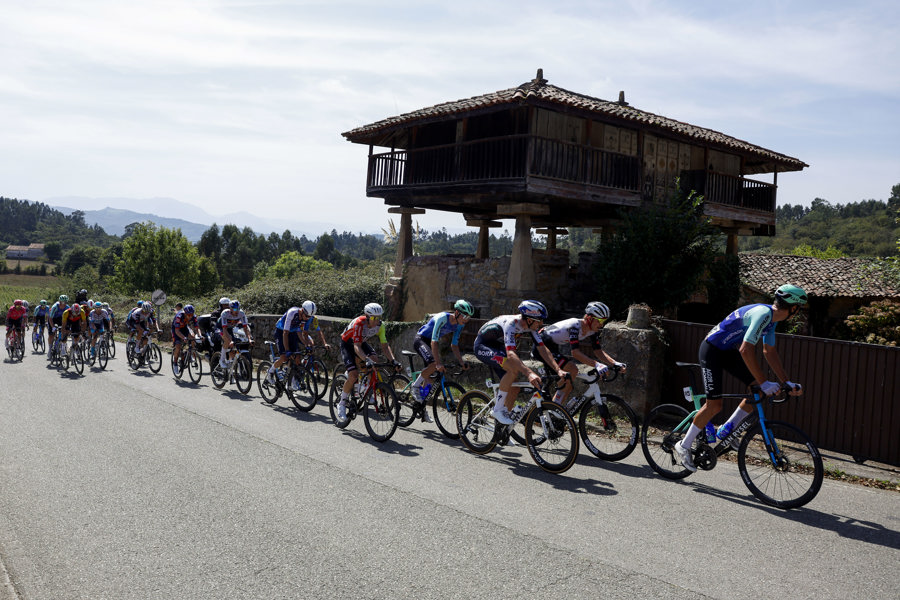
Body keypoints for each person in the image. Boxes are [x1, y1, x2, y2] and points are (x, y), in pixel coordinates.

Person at [671, 284, 808, 472]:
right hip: (711, 350)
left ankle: (728, 430)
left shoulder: (772, 320)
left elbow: (769, 351)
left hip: (727, 351)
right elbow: (745, 349)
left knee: (758, 392)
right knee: (714, 405)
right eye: (799, 309)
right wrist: (764, 381)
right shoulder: (764, 314)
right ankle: (683, 444)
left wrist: (786, 382)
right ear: (794, 308)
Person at [472, 300, 567, 425]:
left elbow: (543, 349)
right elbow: (511, 354)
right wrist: (529, 373)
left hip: (498, 347)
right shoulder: (511, 324)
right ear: (529, 320)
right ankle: (497, 410)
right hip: (483, 346)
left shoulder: (531, 327)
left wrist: (558, 369)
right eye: (540, 320)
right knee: (512, 370)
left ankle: (502, 425)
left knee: (515, 387)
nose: (541, 323)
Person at [532, 301, 627, 410]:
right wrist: (597, 364)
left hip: (552, 346)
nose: (602, 325)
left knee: (568, 384)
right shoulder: (575, 326)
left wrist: (615, 363)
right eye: (600, 321)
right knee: (572, 369)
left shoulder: (592, 330)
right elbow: (575, 353)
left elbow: (598, 351)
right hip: (541, 345)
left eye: (604, 321)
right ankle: (551, 409)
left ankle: (554, 410)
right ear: (589, 318)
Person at [409, 299, 474, 420]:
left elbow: (454, 345)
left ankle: (421, 407)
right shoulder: (442, 318)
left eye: (469, 317)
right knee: (434, 364)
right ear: (457, 312)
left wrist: (461, 362)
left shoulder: (460, 325)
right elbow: (434, 342)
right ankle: (415, 386)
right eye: (465, 316)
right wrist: (438, 363)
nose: (466, 319)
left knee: (429, 381)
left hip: (430, 343)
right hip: (421, 340)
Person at [336, 303, 400, 421]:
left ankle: (366, 388)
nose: (377, 320)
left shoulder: (380, 326)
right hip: (348, 344)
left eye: (379, 317)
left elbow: (385, 346)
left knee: (375, 361)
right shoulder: (359, 323)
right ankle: (342, 403)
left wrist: (393, 360)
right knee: (353, 375)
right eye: (374, 318)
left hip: (361, 342)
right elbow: (356, 346)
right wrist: (366, 359)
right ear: (367, 316)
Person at [218, 300, 253, 367]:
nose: (237, 311)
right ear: (230, 309)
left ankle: (230, 361)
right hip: (221, 328)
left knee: (235, 344)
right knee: (228, 341)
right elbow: (224, 330)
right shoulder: (225, 313)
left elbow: (245, 327)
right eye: (235, 309)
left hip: (230, 328)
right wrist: (230, 341)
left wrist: (249, 339)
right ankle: (222, 360)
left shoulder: (241, 313)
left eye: (238, 309)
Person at [171, 304, 199, 375]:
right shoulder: (179, 316)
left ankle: (190, 353)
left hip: (184, 328)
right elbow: (177, 331)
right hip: (176, 329)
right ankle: (175, 363)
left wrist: (200, 335)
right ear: (185, 313)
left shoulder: (193, 316)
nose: (190, 316)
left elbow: (197, 328)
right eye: (188, 315)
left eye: (191, 315)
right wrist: (183, 337)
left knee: (192, 338)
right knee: (178, 346)